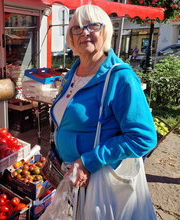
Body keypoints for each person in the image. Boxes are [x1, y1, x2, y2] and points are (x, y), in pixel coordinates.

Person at [48, 4, 157, 218]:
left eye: (93, 26)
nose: (84, 32)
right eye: (77, 28)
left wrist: (88, 161)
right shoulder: (74, 71)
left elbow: (143, 138)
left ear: (105, 30)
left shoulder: (120, 77)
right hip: (79, 180)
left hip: (102, 180)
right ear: (70, 36)